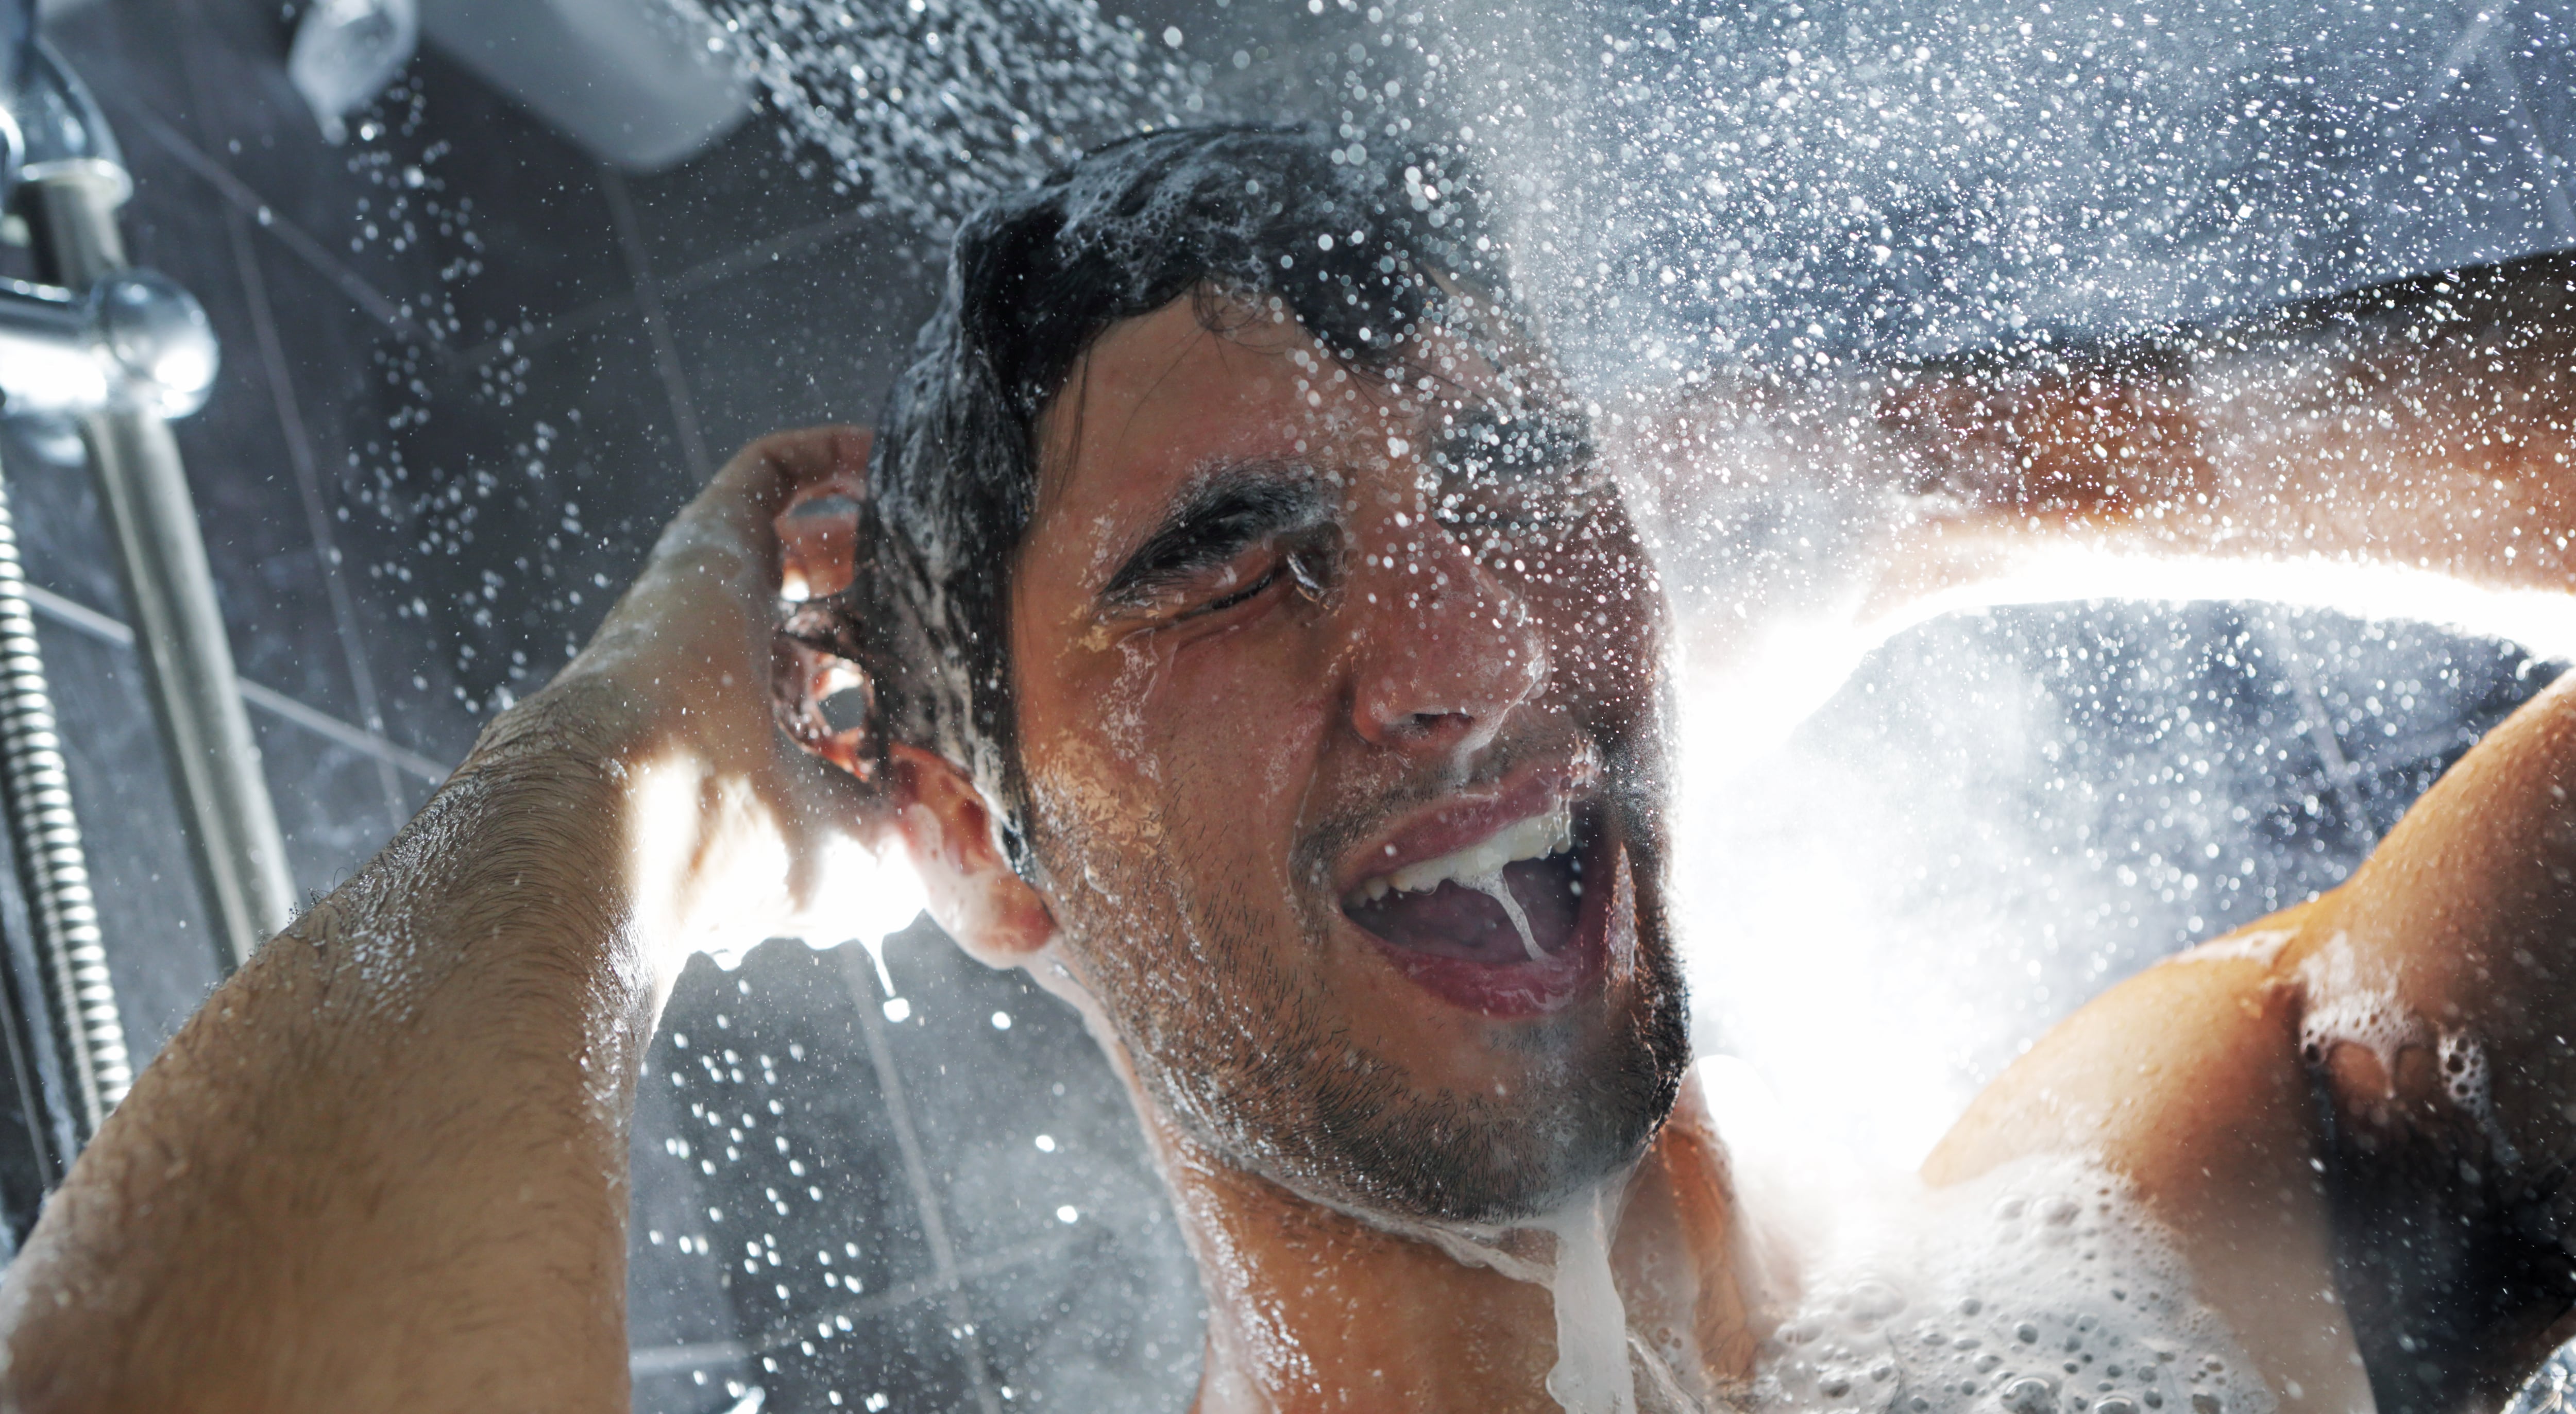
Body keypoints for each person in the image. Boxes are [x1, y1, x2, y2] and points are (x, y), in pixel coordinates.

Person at [4, 122, 2575, 1414]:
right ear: (977, 843)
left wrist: (1936, 472)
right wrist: (619, 786)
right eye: (1223, 562)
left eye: (1514, 480)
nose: (1464, 646)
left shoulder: (2184, 1214)